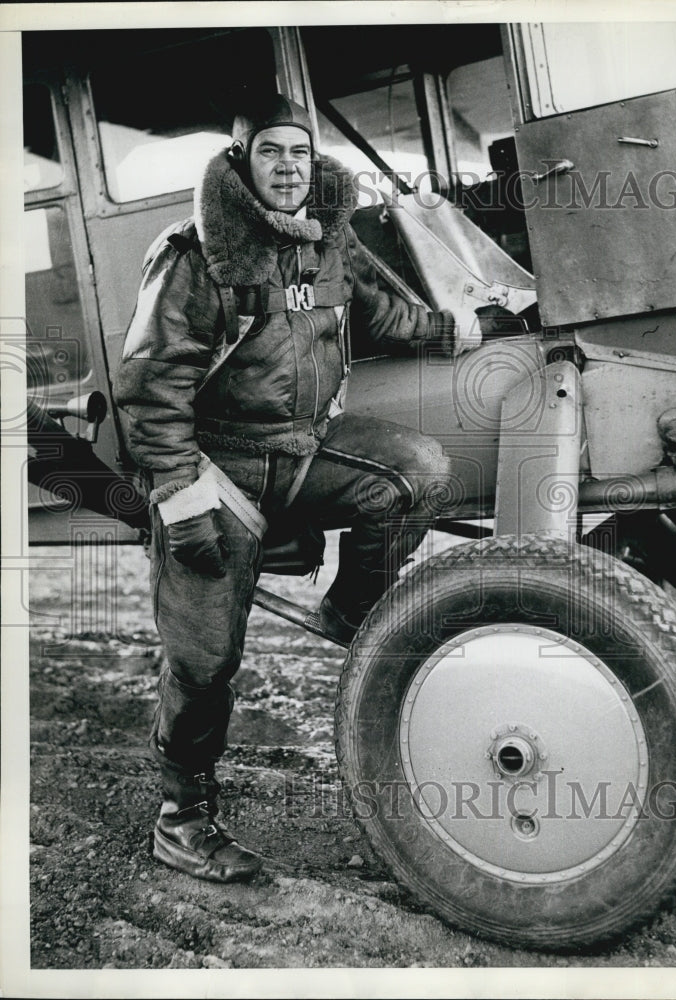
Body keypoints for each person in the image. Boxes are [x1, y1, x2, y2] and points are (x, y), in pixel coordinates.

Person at [113, 94, 481, 883]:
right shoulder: (192, 255)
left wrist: (450, 329)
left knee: (417, 473)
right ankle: (181, 821)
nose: (288, 166)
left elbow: (373, 314)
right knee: (204, 661)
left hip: (304, 448)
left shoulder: (324, 242)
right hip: (220, 467)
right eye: (271, 152)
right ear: (243, 163)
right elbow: (150, 392)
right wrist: (180, 499)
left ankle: (351, 607)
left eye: (300, 153)